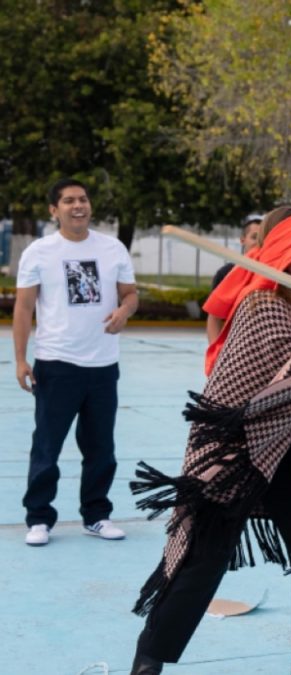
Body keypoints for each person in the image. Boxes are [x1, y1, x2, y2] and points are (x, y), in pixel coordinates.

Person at [128, 206, 291, 674]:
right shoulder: (260, 306)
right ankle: (147, 663)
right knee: (204, 560)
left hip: (281, 443)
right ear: (288, 253)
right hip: (233, 448)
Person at [14, 178, 138, 547]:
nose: (77, 205)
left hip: (102, 366)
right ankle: (39, 518)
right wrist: (20, 359)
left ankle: (96, 515)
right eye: (68, 201)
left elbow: (130, 295)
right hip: (56, 364)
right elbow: (23, 308)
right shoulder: (39, 252)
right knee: (47, 447)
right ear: (54, 210)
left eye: (82, 199)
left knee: (101, 448)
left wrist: (124, 312)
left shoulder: (112, 248)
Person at [206, 213, 262, 342]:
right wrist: (216, 355)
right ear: (243, 239)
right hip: (233, 347)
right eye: (254, 237)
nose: (259, 243)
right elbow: (214, 316)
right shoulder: (226, 273)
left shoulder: (276, 274)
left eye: (263, 239)